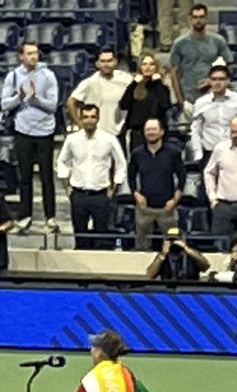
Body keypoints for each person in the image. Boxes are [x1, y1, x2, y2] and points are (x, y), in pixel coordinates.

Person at [1, 41, 60, 234]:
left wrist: (35, 99)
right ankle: (25, 215)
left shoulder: (48, 75)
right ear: (21, 56)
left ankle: (50, 216)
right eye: (29, 53)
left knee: (46, 177)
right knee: (24, 177)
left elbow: (52, 105)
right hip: (23, 131)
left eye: (35, 53)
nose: (33, 57)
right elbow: (4, 104)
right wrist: (19, 97)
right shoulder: (14, 76)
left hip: (45, 132)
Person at [56, 104, 127, 250]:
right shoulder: (72, 139)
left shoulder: (109, 139)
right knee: (80, 234)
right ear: (80, 119)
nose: (89, 120)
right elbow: (61, 161)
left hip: (101, 193)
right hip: (78, 193)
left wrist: (115, 186)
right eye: (86, 117)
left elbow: (121, 163)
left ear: (98, 118)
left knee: (101, 235)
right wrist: (66, 186)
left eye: (93, 117)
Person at [129, 118, 184, 251]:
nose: (150, 132)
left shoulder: (173, 153)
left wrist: (175, 200)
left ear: (162, 132)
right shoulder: (137, 154)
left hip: (167, 208)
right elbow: (131, 177)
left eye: (154, 129)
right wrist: (136, 194)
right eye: (147, 129)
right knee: (141, 245)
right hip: (144, 207)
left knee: (174, 245)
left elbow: (182, 177)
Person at [169, 4, 233, 114]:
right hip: (188, 97)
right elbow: (174, 73)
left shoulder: (218, 41)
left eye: (201, 17)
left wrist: (212, 81)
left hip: (212, 95)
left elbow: (230, 66)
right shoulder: (180, 43)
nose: (198, 20)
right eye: (195, 17)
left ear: (206, 18)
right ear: (190, 19)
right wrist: (180, 100)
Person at [189, 65, 237, 165]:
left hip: (234, 151)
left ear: (228, 81)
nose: (217, 83)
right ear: (209, 81)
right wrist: (198, 153)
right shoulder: (201, 103)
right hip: (209, 151)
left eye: (221, 79)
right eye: (214, 79)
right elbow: (195, 130)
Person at [65, 49, 132, 140]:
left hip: (120, 132)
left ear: (115, 62)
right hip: (97, 134)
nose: (106, 64)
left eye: (109, 61)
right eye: (103, 61)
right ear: (97, 64)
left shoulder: (126, 79)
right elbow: (71, 101)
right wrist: (80, 124)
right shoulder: (90, 82)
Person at [118, 54, 173, 155]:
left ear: (156, 67)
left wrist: (158, 83)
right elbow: (123, 105)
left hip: (156, 132)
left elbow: (165, 105)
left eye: (151, 64)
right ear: (140, 67)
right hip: (138, 133)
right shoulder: (134, 87)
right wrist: (134, 84)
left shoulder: (161, 87)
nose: (148, 67)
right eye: (144, 64)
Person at [145, 227, 209, 280]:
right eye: (171, 240)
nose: (174, 243)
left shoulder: (192, 255)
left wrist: (186, 248)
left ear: (183, 240)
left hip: (190, 289)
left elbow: (206, 266)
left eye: (176, 239)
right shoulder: (163, 257)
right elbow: (150, 274)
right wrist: (163, 254)